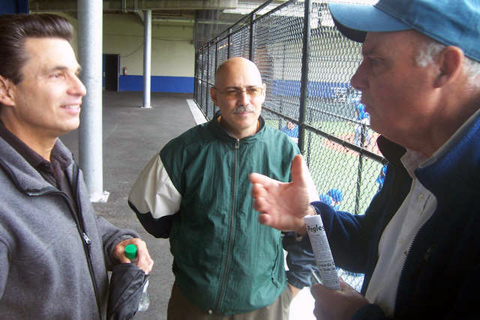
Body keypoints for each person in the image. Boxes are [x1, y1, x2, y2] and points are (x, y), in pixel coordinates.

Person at [250, 0, 480, 319]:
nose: (356, 80)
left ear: (445, 67)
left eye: (375, 61)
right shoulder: (411, 155)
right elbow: (372, 245)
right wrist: (309, 219)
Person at [129, 57, 318, 319]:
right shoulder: (185, 150)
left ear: (262, 93)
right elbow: (150, 213)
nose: (244, 100)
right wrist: (192, 237)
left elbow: (309, 226)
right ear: (214, 96)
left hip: (265, 304)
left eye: (252, 90)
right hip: (194, 303)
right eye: (232, 91)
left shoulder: (286, 153)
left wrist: (294, 284)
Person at [0, 14, 153, 319]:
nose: (81, 88)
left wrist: (113, 242)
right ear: (6, 90)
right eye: (57, 75)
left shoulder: (58, 162)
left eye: (76, 73)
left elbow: (68, 218)